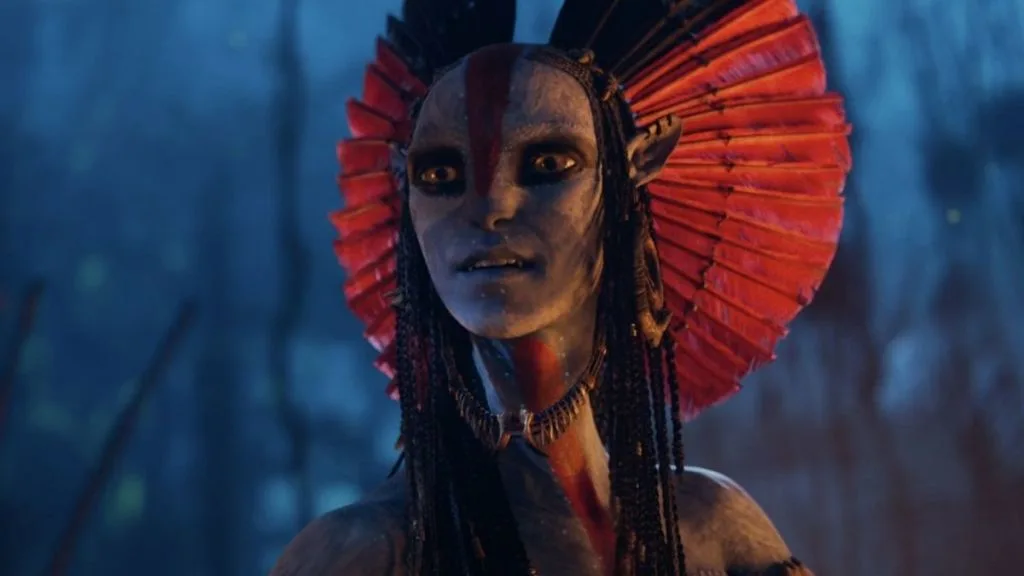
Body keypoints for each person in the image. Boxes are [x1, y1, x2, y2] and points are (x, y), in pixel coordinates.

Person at [272, 0, 851, 574]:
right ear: (404, 192)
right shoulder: (364, 553)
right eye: (441, 174)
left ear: (629, 178)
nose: (490, 207)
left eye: (548, 165)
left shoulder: (715, 530)